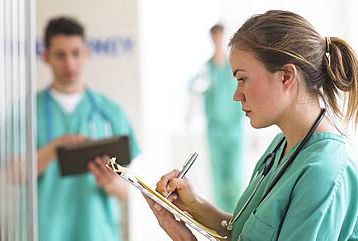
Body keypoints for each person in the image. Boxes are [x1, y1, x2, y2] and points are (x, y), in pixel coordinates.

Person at [145, 10, 358, 241]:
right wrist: (193, 205)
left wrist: (185, 239)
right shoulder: (281, 146)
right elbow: (242, 233)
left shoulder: (325, 170)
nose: (236, 96)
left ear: (286, 76)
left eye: (242, 79)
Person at [36, 16, 139, 241]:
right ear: (46, 57)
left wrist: (112, 183)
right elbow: (12, 175)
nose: (70, 64)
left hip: (98, 232)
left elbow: (127, 190)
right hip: (47, 232)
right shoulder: (28, 113)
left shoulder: (110, 112)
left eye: (75, 53)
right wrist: (54, 149)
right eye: (60, 55)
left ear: (86, 53)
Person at [189, 24, 244, 212]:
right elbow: (193, 86)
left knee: (235, 176)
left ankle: (237, 214)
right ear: (211, 39)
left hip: (234, 129)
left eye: (220, 37)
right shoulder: (207, 68)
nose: (217, 40)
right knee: (218, 177)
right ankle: (222, 217)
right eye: (215, 37)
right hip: (214, 129)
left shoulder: (234, 67)